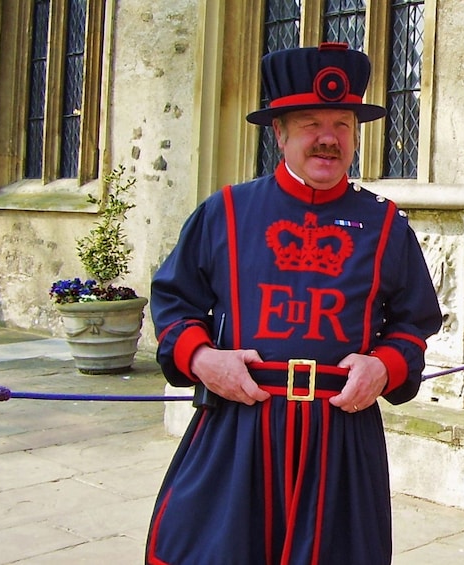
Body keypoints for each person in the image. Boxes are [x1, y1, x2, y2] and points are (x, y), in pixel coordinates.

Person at [146, 43, 442, 564]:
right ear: (279, 132)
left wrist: (385, 365)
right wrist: (201, 358)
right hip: (239, 434)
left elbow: (415, 323)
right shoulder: (226, 212)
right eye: (310, 123)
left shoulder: (385, 224)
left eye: (342, 124)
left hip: (340, 442)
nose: (328, 139)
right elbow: (174, 303)